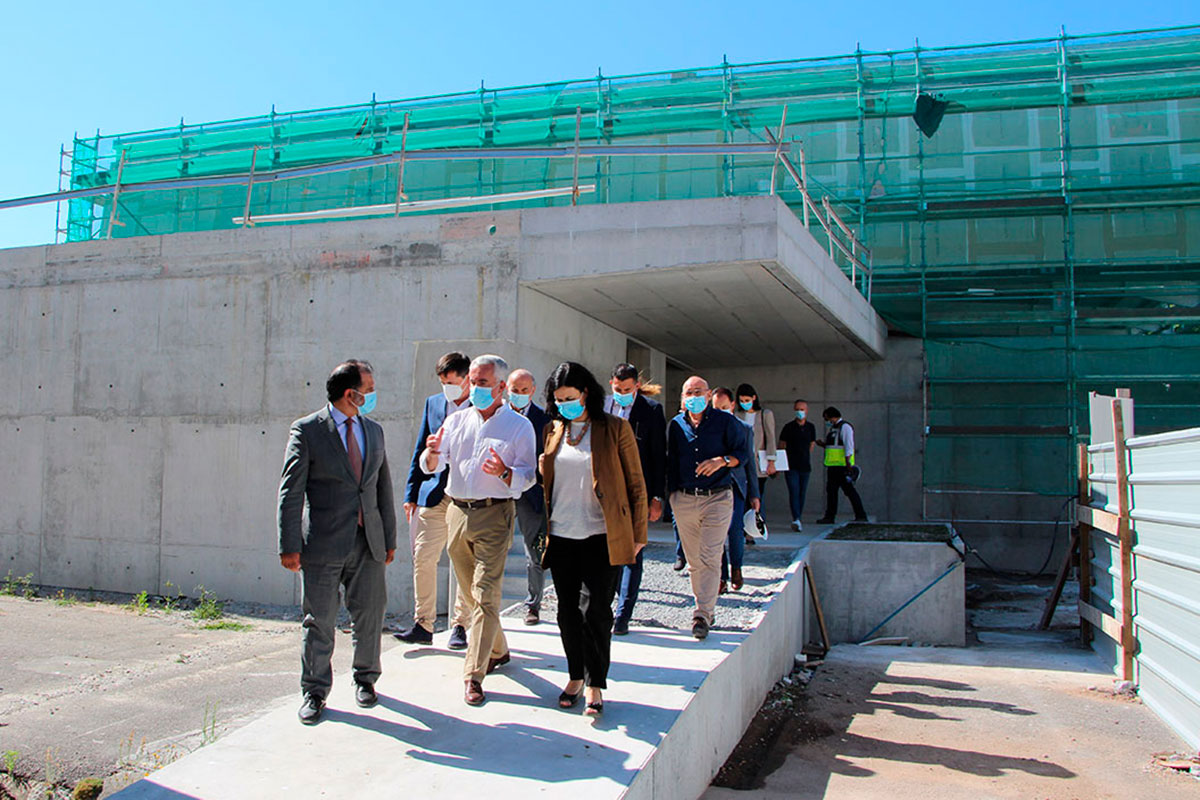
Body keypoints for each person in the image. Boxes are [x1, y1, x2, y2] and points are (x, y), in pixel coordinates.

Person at [277, 360, 397, 725]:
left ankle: (366, 680)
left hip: (368, 542)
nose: (373, 394)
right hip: (323, 544)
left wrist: (389, 538)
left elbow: (382, 488)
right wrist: (289, 544)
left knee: (370, 615)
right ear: (351, 393)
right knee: (319, 621)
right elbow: (291, 491)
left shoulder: (373, 431)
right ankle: (314, 691)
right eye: (369, 387)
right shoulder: (308, 430)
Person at [418, 355, 536, 706]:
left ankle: (474, 674)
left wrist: (504, 472)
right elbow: (432, 466)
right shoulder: (456, 421)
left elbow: (528, 475)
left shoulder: (518, 426)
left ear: (501, 387)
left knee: (485, 594)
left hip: (494, 514)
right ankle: (498, 649)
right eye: (473, 381)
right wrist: (433, 454)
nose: (475, 389)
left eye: (483, 383)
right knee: (471, 593)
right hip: (456, 512)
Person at [541, 362, 647, 715]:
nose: (563, 405)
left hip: (602, 535)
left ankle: (595, 684)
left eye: (569, 398)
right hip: (562, 535)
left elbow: (635, 483)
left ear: (586, 393)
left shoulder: (615, 428)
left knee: (597, 612)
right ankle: (574, 675)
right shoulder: (555, 429)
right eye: (558, 400)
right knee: (567, 612)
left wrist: (638, 534)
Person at [396, 352, 472, 648]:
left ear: (466, 378)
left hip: (465, 495)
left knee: (462, 562)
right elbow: (419, 449)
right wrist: (410, 494)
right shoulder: (434, 404)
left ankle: (461, 626)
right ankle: (422, 624)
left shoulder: (482, 406)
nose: (447, 387)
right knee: (424, 556)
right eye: (442, 382)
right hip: (433, 494)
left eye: (451, 382)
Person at [667, 376, 750, 639]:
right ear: (682, 398)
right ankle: (703, 604)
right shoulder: (676, 425)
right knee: (694, 561)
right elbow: (668, 461)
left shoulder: (725, 422)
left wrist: (722, 460)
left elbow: (743, 452)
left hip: (718, 497)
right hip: (684, 498)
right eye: (688, 392)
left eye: (698, 392)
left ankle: (702, 613)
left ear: (708, 394)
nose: (693, 396)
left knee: (711, 555)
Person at [604, 363, 666, 635]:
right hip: (605, 491)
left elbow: (657, 455)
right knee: (607, 552)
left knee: (632, 552)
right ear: (611, 384)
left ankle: (623, 614)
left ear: (636, 387)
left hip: (636, 490)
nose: (622, 394)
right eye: (618, 389)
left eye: (627, 390)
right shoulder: (603, 408)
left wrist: (656, 497)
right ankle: (610, 601)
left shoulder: (651, 411)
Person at [507, 368, 552, 625]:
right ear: (506, 389)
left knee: (533, 551)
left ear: (533, 391)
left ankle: (532, 605)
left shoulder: (544, 420)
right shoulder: (496, 416)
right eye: (515, 390)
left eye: (525, 390)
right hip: (497, 491)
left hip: (531, 493)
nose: (520, 395)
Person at [711, 387, 760, 592]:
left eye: (724, 407)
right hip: (713, 487)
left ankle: (737, 568)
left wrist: (755, 494)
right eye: (716, 407)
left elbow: (750, 463)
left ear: (732, 405)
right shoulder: (708, 428)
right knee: (716, 534)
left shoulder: (744, 429)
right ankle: (721, 577)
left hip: (736, 487)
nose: (720, 411)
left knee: (735, 530)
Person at [815, 406, 868, 524]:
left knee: (849, 491)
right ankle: (830, 516)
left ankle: (861, 515)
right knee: (832, 492)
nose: (827, 421)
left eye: (826, 418)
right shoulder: (834, 429)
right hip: (833, 466)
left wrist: (848, 464)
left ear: (831, 416)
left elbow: (849, 445)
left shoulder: (845, 427)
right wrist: (823, 445)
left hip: (842, 466)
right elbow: (834, 446)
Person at [778, 399, 817, 532]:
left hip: (805, 466)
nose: (800, 412)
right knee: (794, 492)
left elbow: (812, 444)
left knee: (802, 493)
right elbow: (782, 445)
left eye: (802, 409)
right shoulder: (788, 427)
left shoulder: (810, 427)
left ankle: (798, 516)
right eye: (797, 409)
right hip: (791, 466)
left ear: (807, 410)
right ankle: (796, 518)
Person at [734, 383, 777, 502]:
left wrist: (771, 461)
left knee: (757, 494)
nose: (744, 403)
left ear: (754, 398)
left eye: (747, 400)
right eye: (741, 400)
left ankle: (757, 519)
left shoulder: (765, 414)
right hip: (742, 460)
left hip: (758, 462)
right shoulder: (737, 415)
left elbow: (770, 438)